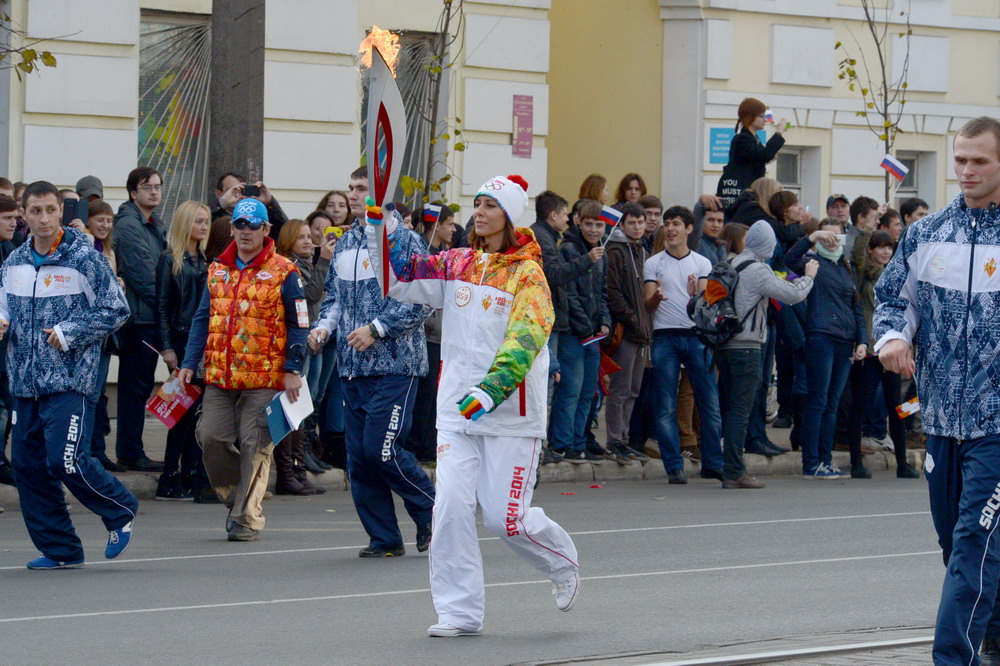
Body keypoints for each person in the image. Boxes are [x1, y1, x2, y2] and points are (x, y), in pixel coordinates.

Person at [366, 173, 579, 637]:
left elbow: (528, 335)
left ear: (508, 215)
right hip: (457, 411)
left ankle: (561, 563)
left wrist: (492, 388)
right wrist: (377, 227)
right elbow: (400, 279)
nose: (478, 212)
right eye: (477, 203)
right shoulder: (456, 262)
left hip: (510, 414)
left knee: (505, 519)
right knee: (450, 509)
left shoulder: (528, 274)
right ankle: (459, 612)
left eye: (490, 205)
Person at [875, 116, 1000, 665]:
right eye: (961, 160)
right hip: (943, 419)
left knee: (975, 544)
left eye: (980, 161)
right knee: (956, 546)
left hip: (997, 424)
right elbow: (892, 299)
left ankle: (954, 659)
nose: (967, 171)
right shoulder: (929, 234)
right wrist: (893, 337)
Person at [0, 180, 135, 569]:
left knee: (65, 460)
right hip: (24, 382)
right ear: (24, 214)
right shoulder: (13, 264)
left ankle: (120, 507)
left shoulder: (84, 258)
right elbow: (4, 307)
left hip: (69, 379)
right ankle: (60, 549)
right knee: (26, 467)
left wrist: (69, 332)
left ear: (61, 211)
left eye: (50, 210)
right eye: (35, 211)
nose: (43, 219)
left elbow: (115, 309)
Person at [309, 166, 435, 559]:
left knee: (382, 449)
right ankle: (384, 538)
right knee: (359, 459)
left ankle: (432, 508)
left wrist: (376, 329)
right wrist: (323, 328)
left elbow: (422, 299)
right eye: (351, 188)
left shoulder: (405, 241)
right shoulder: (346, 243)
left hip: (396, 363)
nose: (352, 194)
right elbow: (333, 297)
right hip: (352, 365)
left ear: (382, 194)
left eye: (361, 188)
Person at [178, 199, 308, 542]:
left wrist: (293, 368)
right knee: (210, 438)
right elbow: (202, 318)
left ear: (267, 230)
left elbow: (299, 324)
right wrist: (190, 363)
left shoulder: (285, 271)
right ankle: (240, 499)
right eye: (240, 224)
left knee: (255, 445)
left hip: (265, 376)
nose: (246, 231)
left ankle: (246, 518)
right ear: (232, 227)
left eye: (254, 225)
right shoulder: (216, 269)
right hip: (220, 376)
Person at [716, 221, 816, 488]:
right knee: (741, 409)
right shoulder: (758, 270)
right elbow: (793, 294)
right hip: (746, 346)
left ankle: (724, 464)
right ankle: (734, 471)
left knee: (729, 407)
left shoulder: (733, 263)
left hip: (723, 344)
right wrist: (809, 275)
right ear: (767, 246)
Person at [644, 212, 724, 484]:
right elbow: (648, 305)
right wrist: (656, 297)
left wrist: (694, 295)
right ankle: (673, 466)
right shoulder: (654, 263)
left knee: (709, 400)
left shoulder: (702, 262)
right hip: (665, 336)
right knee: (665, 404)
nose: (670, 229)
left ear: (689, 228)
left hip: (695, 336)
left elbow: (705, 304)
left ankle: (712, 463)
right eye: (667, 224)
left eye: (676, 224)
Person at [785, 220, 866, 479]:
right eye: (827, 234)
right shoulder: (812, 263)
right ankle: (811, 463)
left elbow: (856, 307)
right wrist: (812, 237)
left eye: (837, 235)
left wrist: (862, 340)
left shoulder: (847, 267)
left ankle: (826, 459)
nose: (833, 239)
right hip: (821, 336)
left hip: (845, 339)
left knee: (832, 404)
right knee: (817, 401)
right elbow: (790, 258)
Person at [847, 227, 920, 480]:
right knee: (860, 406)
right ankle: (856, 462)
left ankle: (902, 462)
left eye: (889, 247)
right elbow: (857, 254)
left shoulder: (900, 274)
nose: (885, 251)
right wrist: (870, 225)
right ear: (870, 249)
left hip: (893, 349)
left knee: (897, 407)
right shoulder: (864, 274)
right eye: (880, 246)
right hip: (868, 349)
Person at [153, 201, 212, 501]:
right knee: (181, 411)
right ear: (185, 223)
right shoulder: (170, 260)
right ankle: (168, 476)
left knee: (195, 412)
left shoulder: (204, 260)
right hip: (179, 339)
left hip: (200, 341)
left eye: (206, 221)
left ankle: (190, 472)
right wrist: (166, 348)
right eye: (198, 221)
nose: (203, 226)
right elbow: (161, 307)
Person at [549, 200, 613, 463]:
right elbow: (569, 294)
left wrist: (605, 320)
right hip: (575, 333)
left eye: (599, 225)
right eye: (589, 224)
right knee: (571, 390)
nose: (594, 230)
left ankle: (578, 441)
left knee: (589, 390)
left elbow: (603, 292)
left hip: (594, 334)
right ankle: (562, 444)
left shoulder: (601, 252)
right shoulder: (569, 250)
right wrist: (585, 326)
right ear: (578, 222)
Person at [113, 166, 168, 471]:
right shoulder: (130, 226)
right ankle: (130, 452)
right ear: (133, 192)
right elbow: (144, 276)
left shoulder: (152, 223)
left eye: (158, 186)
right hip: (139, 321)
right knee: (134, 389)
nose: (155, 192)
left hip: (151, 316)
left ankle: (133, 449)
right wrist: (167, 309)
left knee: (142, 386)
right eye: (148, 187)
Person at [273, 218, 331, 495]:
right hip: (295, 343)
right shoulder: (289, 266)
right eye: (301, 238)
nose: (308, 241)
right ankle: (288, 472)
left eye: (309, 236)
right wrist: (323, 263)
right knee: (291, 407)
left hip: (311, 338)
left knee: (303, 406)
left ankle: (298, 470)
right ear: (288, 242)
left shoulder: (306, 263)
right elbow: (310, 294)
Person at [606, 202, 654, 462]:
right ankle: (614, 440)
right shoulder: (615, 251)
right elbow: (612, 291)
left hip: (642, 330)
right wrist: (632, 317)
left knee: (634, 389)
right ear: (622, 225)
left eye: (641, 222)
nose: (637, 227)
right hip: (625, 329)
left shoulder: (642, 250)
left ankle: (624, 439)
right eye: (632, 223)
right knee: (620, 389)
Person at [81, 200, 124, 474]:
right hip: (88, 333)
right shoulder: (84, 244)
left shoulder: (109, 250)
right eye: (99, 220)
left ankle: (96, 451)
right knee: (86, 395)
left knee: (96, 396)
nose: (105, 226)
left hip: (106, 334)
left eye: (109, 221)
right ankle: (82, 452)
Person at [716, 98, 788, 209]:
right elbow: (764, 154)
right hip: (740, 194)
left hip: (747, 192)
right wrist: (779, 132)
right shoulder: (742, 139)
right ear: (750, 116)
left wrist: (765, 161)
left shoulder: (753, 139)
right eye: (762, 116)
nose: (765, 120)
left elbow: (755, 158)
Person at [0, 195, 19, 486]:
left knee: (9, 403)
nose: (14, 223)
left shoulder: (10, 249)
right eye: (7, 218)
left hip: (6, 344)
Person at [210, 172, 288, 240]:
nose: (237, 195)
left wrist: (271, 202)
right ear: (218, 194)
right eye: (231, 190)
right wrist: (221, 203)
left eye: (241, 190)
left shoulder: (256, 216)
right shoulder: (214, 215)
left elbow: (287, 234)